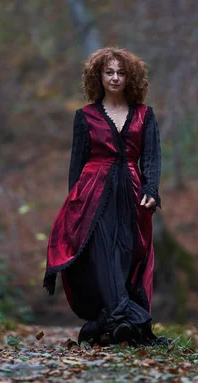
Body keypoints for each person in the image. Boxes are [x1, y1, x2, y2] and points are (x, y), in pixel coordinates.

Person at [44, 47, 164, 346]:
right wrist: (74, 204)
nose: (115, 77)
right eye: (109, 72)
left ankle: (106, 325)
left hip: (132, 195)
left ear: (130, 77)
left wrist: (151, 189)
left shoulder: (144, 115)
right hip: (92, 196)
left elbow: (151, 156)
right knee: (102, 258)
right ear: (98, 76)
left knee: (126, 258)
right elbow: (77, 164)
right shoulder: (84, 117)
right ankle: (125, 320)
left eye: (121, 72)